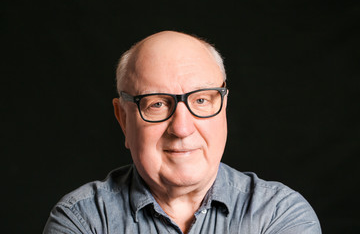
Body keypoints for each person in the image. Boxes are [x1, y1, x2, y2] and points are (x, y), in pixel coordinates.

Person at [43, 31, 321, 234]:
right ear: (123, 119)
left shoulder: (281, 215)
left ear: (223, 108)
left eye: (201, 100)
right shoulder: (81, 220)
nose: (182, 128)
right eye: (157, 104)